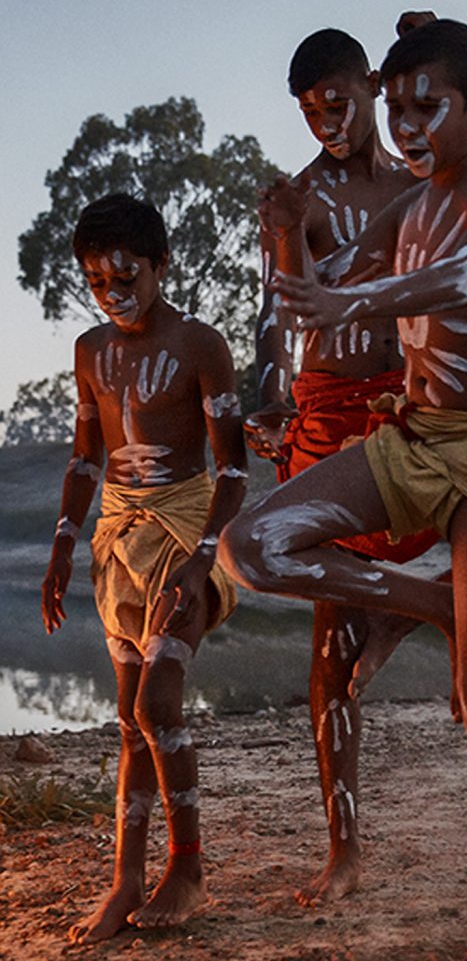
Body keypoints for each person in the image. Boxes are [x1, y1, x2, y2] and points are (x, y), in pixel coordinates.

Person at [219, 18, 467, 961]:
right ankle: (431, 617)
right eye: (310, 112)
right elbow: (298, 302)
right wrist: (285, 261)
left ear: (370, 88)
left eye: (343, 102)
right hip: (383, 420)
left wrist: (440, 49)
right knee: (293, 595)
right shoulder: (349, 199)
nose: (330, 122)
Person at [40, 194, 248, 943]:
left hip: (188, 531)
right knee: (131, 719)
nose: (112, 294)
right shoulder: (89, 350)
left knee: (159, 703)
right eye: (97, 282)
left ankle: (187, 869)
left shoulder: (201, 345)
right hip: (117, 540)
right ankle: (126, 878)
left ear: (162, 265)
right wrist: (64, 544)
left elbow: (234, 471)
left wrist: (202, 560)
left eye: (126, 278)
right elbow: (84, 457)